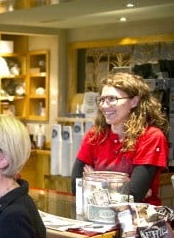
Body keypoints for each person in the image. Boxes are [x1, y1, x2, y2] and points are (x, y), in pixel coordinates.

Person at [71, 72, 169, 205]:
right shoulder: (94, 135)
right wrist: (122, 187)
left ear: (134, 101)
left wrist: (94, 179)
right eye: (102, 99)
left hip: (139, 221)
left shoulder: (151, 137)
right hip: (98, 218)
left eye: (112, 99)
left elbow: (133, 196)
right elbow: (75, 188)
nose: (104, 106)